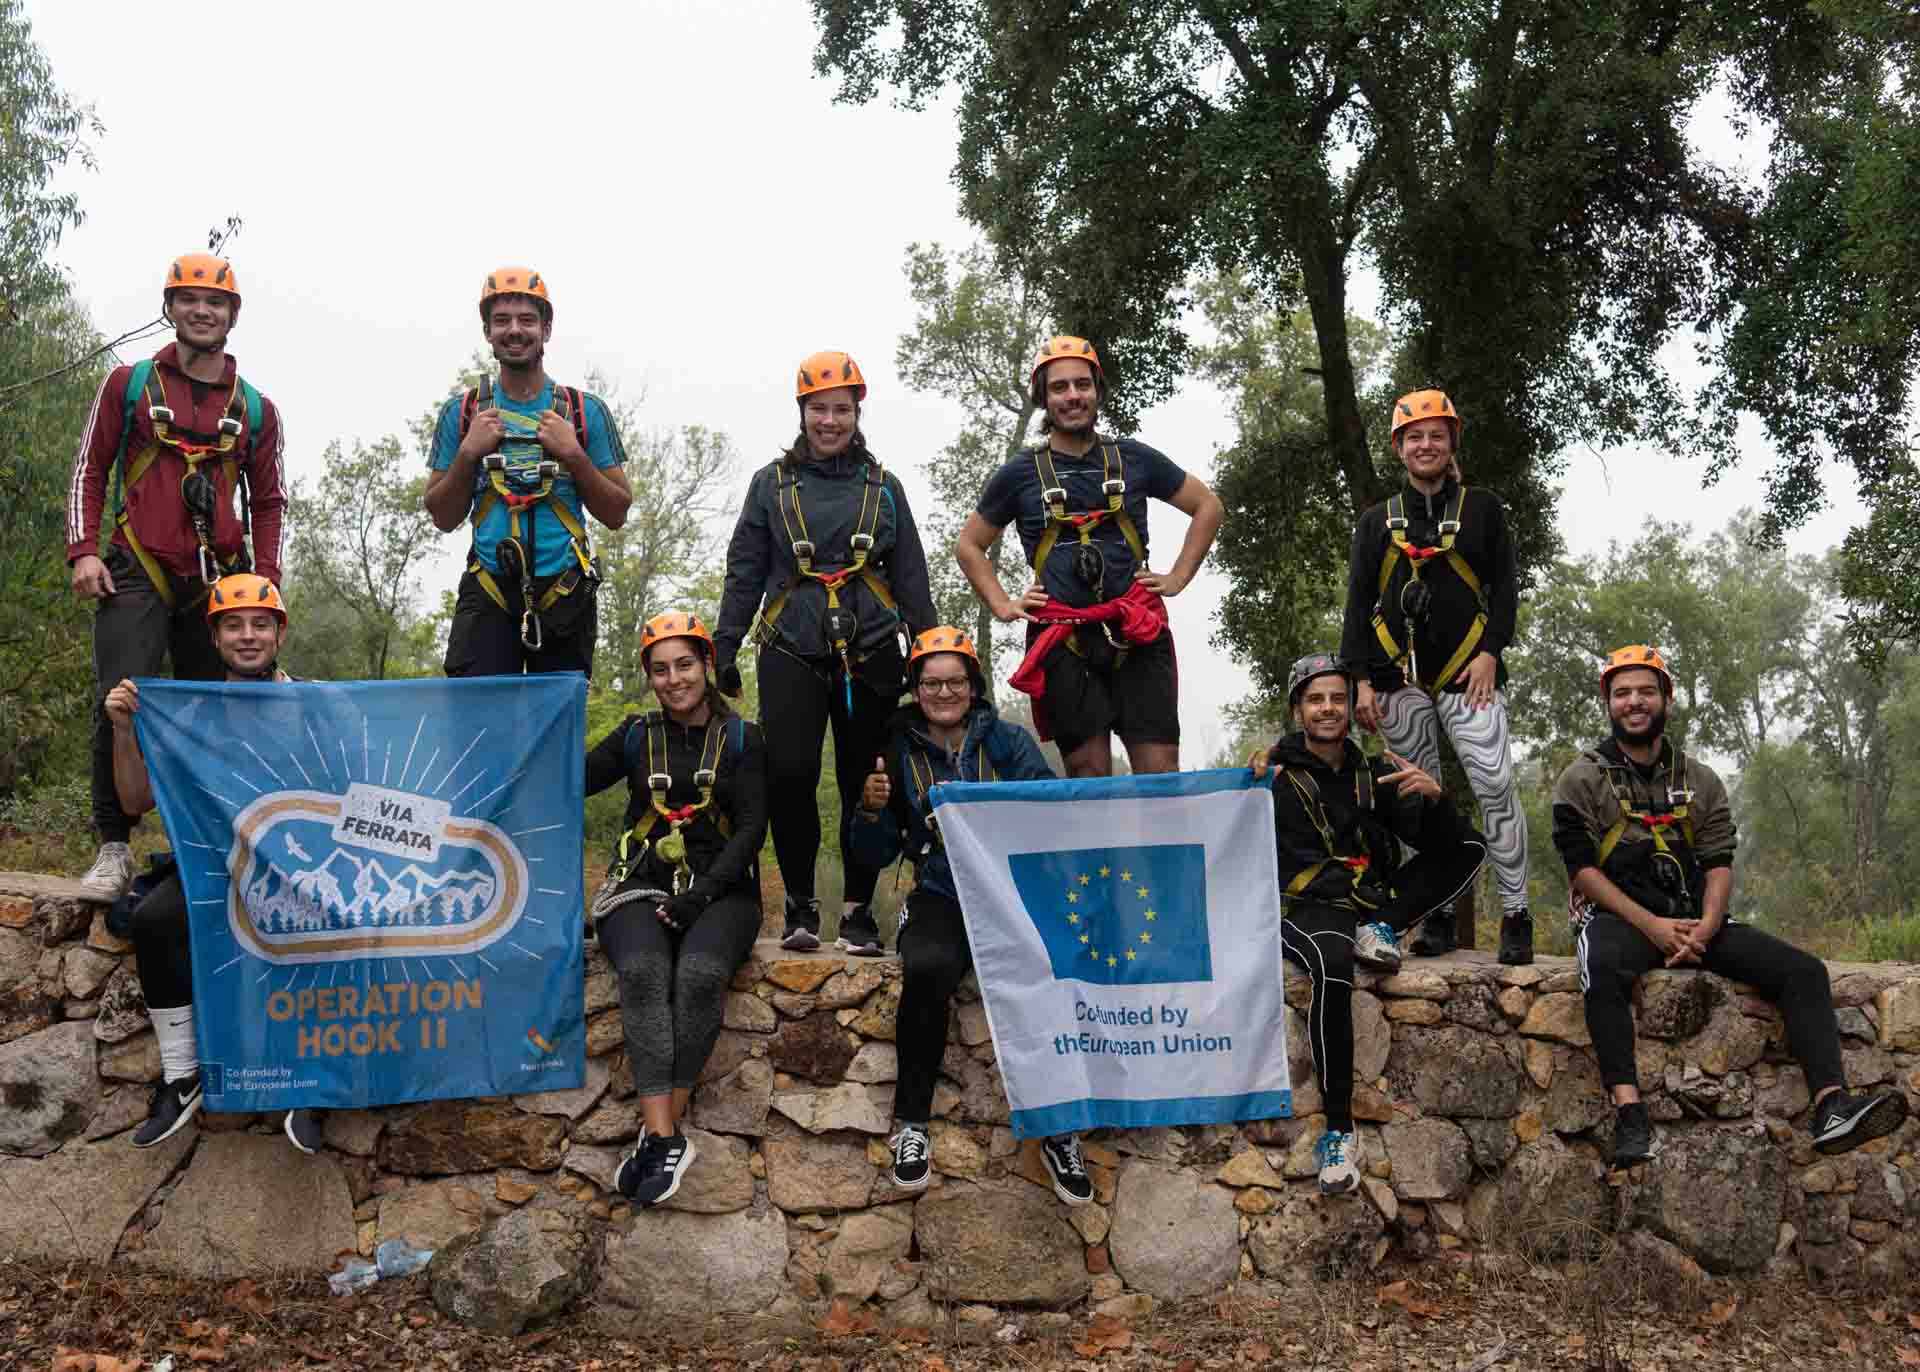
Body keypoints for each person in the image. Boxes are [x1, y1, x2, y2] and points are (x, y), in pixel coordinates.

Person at [1554, 645, 1908, 1166]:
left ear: (1666, 699)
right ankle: (1629, 1115)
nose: (1635, 702)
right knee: (1601, 967)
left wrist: (1706, 926)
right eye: (1622, 693)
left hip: (1695, 918)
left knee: (1804, 971)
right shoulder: (1581, 779)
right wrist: (1652, 926)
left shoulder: (1700, 780)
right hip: (1620, 918)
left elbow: (1718, 861)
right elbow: (1581, 870)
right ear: (1608, 703)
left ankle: (1832, 1106)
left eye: (1647, 691)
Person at [67, 252, 287, 901]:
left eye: (215, 302)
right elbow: (90, 468)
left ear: (232, 316)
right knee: (121, 700)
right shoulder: (129, 385)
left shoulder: (256, 409)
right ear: (170, 308)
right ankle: (114, 845)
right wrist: (83, 551)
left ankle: (208, 840)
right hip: (136, 564)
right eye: (189, 299)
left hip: (218, 578)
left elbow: (269, 500)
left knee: (219, 712)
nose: (201, 311)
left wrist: (265, 580)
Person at [849, 627, 1094, 1204]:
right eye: (931, 683)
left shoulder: (1008, 741)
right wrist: (871, 811)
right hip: (940, 892)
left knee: (1051, 971)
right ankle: (912, 1124)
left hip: (1012, 893)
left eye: (955, 681)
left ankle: (1060, 1127)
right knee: (928, 967)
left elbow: (1050, 812)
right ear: (916, 689)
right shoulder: (897, 750)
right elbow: (874, 854)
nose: (944, 693)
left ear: (973, 684)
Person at [714, 352, 936, 956]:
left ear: (857, 414)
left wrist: (931, 653)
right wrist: (724, 647)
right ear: (802, 412)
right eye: (819, 409)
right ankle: (800, 904)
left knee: (869, 777)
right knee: (790, 775)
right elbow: (744, 571)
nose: (830, 421)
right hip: (791, 647)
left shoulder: (883, 488)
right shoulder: (771, 485)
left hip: (872, 651)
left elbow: (911, 578)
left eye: (841, 409)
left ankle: (861, 911)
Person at [101, 573, 323, 1153]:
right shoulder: (190, 711)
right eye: (233, 625)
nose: (248, 636)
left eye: (260, 624)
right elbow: (134, 801)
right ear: (215, 637)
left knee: (324, 922)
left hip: (296, 865)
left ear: (279, 634)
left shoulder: (315, 703)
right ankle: (183, 1077)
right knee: (153, 920)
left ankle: (312, 1078)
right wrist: (124, 730)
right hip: (214, 863)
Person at [1252, 652, 1486, 1195]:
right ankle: (1338, 1133)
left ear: (1350, 708)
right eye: (1315, 699)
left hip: (1368, 901)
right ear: (1297, 711)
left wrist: (1436, 799)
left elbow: (1447, 845)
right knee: (1333, 966)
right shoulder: (1274, 775)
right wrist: (1249, 779)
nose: (1328, 708)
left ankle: (1381, 927)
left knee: (1472, 846)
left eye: (1337, 698)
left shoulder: (1375, 773)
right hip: (1307, 906)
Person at [958, 335, 1223, 778]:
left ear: (1097, 391)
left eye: (1082, 384)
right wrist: (1002, 604)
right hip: (1063, 639)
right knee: (1087, 775)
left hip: (1138, 631)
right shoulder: (1020, 474)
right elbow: (969, 545)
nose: (1072, 396)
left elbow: (1207, 506)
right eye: (1059, 387)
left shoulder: (1134, 459)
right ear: (1044, 397)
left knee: (1160, 771)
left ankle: (1157, 829)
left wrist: (1177, 577)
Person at [1338, 388, 1532, 965]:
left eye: (1436, 436)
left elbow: (1505, 588)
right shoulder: (1376, 522)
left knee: (1495, 784)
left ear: (1452, 444)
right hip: (1393, 676)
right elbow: (1358, 604)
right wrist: (1359, 681)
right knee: (1413, 800)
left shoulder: (1483, 509)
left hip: (1469, 671)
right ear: (1399, 448)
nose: (1426, 445)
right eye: (1415, 437)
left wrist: (1491, 651)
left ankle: (1516, 914)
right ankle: (1437, 915)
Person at [586, 612, 768, 1207]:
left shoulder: (742, 739)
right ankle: (666, 1137)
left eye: (685, 665)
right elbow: (571, 778)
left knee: (700, 975)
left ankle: (656, 1135)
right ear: (649, 676)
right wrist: (539, 716)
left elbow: (751, 829)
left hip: (723, 889)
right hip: (641, 882)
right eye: (660, 670)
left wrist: (702, 895)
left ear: (707, 665)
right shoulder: (636, 736)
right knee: (642, 971)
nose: (674, 680)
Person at [424, 267, 632, 678]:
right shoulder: (462, 413)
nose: (515, 330)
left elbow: (617, 512)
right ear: (487, 332)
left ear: (546, 330)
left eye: (527, 320)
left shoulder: (585, 412)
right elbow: (442, 517)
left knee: (556, 714)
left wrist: (574, 455)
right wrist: (467, 454)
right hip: (488, 590)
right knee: (477, 714)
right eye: (502, 320)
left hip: (564, 591)